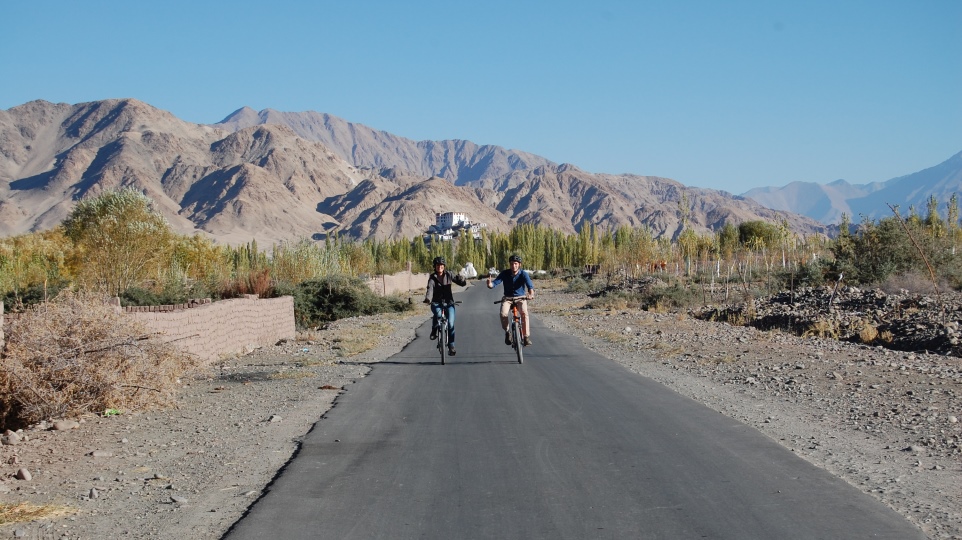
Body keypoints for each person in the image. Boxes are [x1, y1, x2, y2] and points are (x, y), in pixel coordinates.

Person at [486, 253, 535, 346]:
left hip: (520, 298)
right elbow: (495, 283)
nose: (513, 266)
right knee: (503, 314)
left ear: (519, 264)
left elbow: (530, 287)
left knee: (524, 313)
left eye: (515, 263)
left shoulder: (523, 274)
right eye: (512, 264)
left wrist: (531, 294)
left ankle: (526, 337)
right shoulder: (505, 273)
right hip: (508, 298)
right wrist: (489, 284)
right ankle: (508, 332)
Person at [424, 256, 467, 355]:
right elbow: (430, 289)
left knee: (451, 324)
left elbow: (460, 282)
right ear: (435, 266)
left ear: (444, 266)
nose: (440, 267)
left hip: (449, 303)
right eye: (438, 265)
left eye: (441, 265)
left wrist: (462, 280)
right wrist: (428, 299)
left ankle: (451, 345)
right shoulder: (432, 277)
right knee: (438, 315)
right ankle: (434, 329)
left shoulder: (449, 274)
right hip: (436, 303)